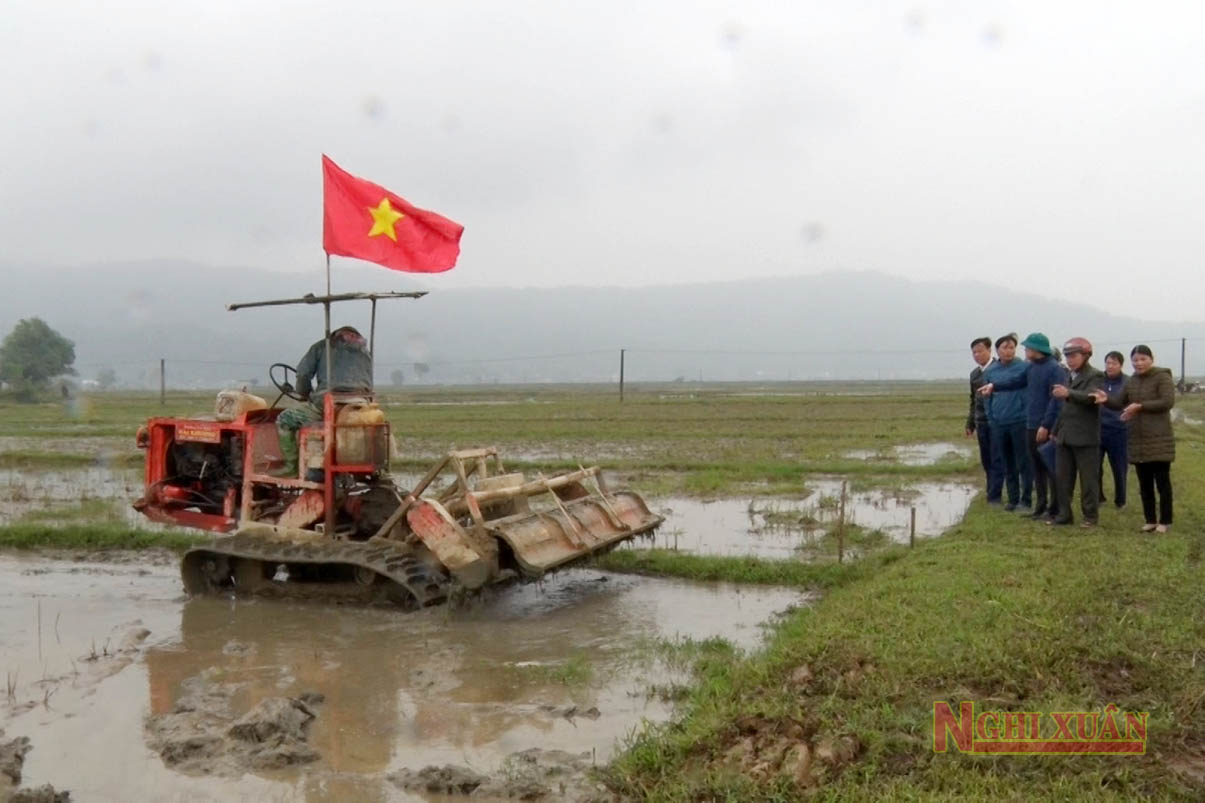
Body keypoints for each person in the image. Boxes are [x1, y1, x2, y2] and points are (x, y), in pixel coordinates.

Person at [978, 332, 1064, 520]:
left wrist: (1047, 425)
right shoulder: (1032, 368)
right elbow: (1015, 382)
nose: (1024, 351)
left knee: (1048, 467)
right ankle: (1040, 507)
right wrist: (994, 387)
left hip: (1044, 425)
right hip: (1030, 424)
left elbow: (1056, 401)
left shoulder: (1054, 369)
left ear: (1037, 350)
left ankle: (1055, 508)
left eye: (1027, 348)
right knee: (1037, 467)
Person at [1095, 345, 1175, 533]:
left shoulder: (1162, 377)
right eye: (1135, 360)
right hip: (1137, 438)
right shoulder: (1131, 382)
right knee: (1144, 482)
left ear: (1151, 359)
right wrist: (1105, 399)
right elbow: (1119, 403)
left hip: (1159, 438)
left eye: (1142, 359)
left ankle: (1165, 521)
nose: (1138, 363)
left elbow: (1167, 402)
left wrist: (1139, 406)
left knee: (1162, 482)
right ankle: (1150, 520)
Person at [274, 326, 373, 477]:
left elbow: (303, 374)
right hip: (360, 404)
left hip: (329, 404)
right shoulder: (364, 352)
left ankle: (291, 466)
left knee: (284, 419)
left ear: (335, 337)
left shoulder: (322, 346)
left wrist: (304, 393)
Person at [1048, 337, 1104, 527]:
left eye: (1074, 355)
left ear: (1086, 355)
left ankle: (1090, 516)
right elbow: (1064, 409)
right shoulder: (1068, 376)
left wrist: (1069, 393)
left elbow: (1092, 398)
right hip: (1065, 435)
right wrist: (1055, 430)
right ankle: (1064, 514)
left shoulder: (1096, 375)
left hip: (1086, 436)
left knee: (1088, 480)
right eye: (1067, 356)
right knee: (1063, 478)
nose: (1070, 360)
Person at [980, 334, 1031, 511]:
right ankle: (1012, 498)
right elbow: (986, 398)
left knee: (1023, 461)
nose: (1008, 351)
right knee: (1007, 462)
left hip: (1019, 420)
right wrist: (991, 417)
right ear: (997, 350)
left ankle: (1026, 500)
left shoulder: (1024, 368)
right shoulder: (991, 371)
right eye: (1005, 348)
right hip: (999, 422)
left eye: (1011, 348)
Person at [965, 337, 1001, 501]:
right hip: (981, 421)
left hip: (998, 421)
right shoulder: (974, 374)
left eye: (980, 351)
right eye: (974, 352)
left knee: (997, 457)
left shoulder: (999, 369)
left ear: (989, 350)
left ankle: (995, 495)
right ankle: (990, 489)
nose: (977, 355)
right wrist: (970, 422)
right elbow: (973, 399)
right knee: (986, 457)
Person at [1098, 351, 1128, 509]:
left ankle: (1120, 500)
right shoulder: (1098, 380)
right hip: (1098, 429)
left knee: (1119, 466)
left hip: (1118, 430)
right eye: (1108, 362)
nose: (1110, 366)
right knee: (1095, 466)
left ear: (1121, 365)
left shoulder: (1127, 382)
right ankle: (1098, 497)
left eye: (1114, 363)